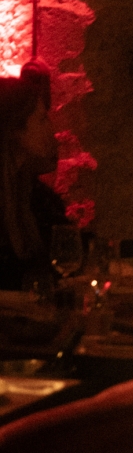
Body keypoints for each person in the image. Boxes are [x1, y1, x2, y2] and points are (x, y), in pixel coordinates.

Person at [0, 72, 65, 291]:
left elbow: (66, 251)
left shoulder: (37, 197)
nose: (52, 130)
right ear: (13, 129)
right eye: (42, 119)